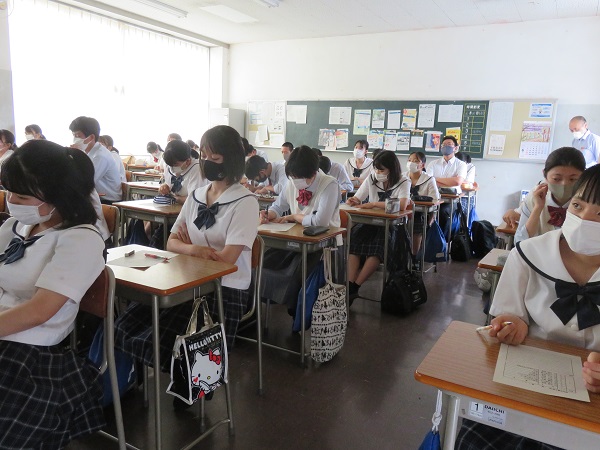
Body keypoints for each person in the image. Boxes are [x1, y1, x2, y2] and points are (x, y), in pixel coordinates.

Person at [455, 164, 600, 450]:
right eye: (578, 205)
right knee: (474, 440)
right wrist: (513, 324)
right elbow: (509, 315)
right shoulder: (528, 253)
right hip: (528, 382)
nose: (584, 219)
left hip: (592, 402)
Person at [114, 125, 258, 385]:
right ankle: (144, 382)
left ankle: (192, 385)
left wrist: (190, 247)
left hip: (223, 291)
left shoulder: (245, 201)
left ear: (232, 160)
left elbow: (226, 261)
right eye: (203, 155)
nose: (206, 162)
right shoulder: (196, 196)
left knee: (168, 345)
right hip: (188, 281)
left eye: (214, 158)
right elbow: (171, 242)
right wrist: (196, 250)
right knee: (127, 326)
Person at [0, 140, 106, 448]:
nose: (11, 201)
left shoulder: (80, 239)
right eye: (8, 191)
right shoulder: (15, 227)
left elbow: (40, 311)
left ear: (58, 194)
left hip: (32, 356)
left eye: (21, 196)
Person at [260, 145, 341, 311]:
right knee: (264, 262)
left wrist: (295, 217)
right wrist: (269, 214)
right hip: (295, 241)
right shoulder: (292, 183)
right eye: (292, 176)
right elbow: (278, 206)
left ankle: (296, 307)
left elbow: (320, 222)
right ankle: (265, 301)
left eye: (299, 177)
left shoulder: (329, 184)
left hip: (322, 246)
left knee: (297, 274)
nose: (295, 181)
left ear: (313, 173)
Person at [346, 150, 409, 301]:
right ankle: (349, 285)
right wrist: (353, 200)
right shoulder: (372, 177)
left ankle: (356, 285)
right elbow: (358, 197)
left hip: (392, 226)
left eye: (382, 170)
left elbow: (402, 204)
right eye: (376, 169)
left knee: (378, 248)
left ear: (392, 169)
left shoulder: (403, 181)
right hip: (369, 223)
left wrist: (374, 204)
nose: (378, 173)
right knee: (353, 242)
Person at [514, 147, 585, 244]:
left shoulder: (590, 203)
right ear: (545, 175)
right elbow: (520, 241)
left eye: (573, 179)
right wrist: (538, 208)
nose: (564, 184)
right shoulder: (534, 198)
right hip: (539, 253)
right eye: (556, 179)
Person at [69, 116, 122, 204]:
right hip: (96, 197)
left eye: (78, 136)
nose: (75, 139)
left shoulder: (100, 156)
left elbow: (87, 182)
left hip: (108, 201)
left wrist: (76, 156)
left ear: (91, 137)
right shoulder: (88, 152)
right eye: (73, 135)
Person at [426, 135, 467, 240]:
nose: (445, 147)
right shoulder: (433, 163)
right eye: (443, 145)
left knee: (443, 212)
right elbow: (428, 181)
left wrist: (436, 179)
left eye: (449, 144)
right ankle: (427, 240)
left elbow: (457, 181)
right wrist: (448, 181)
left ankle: (442, 241)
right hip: (433, 197)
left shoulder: (461, 164)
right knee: (422, 213)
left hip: (451, 200)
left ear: (456, 148)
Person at [406, 151, 441, 257]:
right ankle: (402, 255)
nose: (411, 163)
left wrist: (431, 217)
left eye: (416, 161)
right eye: (410, 160)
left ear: (423, 165)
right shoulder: (402, 177)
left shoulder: (429, 179)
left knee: (417, 221)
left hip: (422, 213)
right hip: (404, 210)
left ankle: (414, 256)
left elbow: (435, 200)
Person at [159, 139, 207, 204]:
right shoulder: (168, 166)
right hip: (172, 206)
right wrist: (165, 186)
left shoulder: (197, 168)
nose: (172, 169)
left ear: (188, 161)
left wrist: (175, 199)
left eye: (175, 165)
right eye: (169, 165)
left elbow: (194, 199)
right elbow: (168, 184)